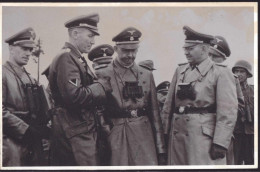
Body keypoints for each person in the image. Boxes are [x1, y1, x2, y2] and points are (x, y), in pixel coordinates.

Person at [161, 26, 238, 165]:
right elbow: (168, 106)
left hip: (203, 139)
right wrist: (164, 134)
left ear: (204, 49)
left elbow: (228, 111)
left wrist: (220, 142)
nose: (186, 52)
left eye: (190, 48)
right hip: (177, 136)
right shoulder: (180, 70)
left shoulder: (220, 72)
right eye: (185, 48)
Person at [47, 14, 112, 166]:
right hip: (76, 131)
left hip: (79, 129)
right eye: (90, 36)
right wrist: (101, 86)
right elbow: (74, 96)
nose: (93, 41)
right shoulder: (66, 58)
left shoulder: (76, 58)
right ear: (75, 34)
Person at [97, 27, 166, 165]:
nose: (130, 55)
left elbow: (155, 113)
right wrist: (108, 133)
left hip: (143, 136)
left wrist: (160, 148)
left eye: (133, 50)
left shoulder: (146, 74)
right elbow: (98, 110)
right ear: (116, 49)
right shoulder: (103, 73)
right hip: (117, 136)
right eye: (125, 51)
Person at [2, 27, 50, 166]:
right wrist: (25, 129)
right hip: (11, 141)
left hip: (33, 141)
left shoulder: (31, 78)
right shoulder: (3, 74)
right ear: (11, 49)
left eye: (30, 50)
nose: (28, 53)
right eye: (24, 49)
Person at [209, 35, 245, 165]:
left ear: (223, 58)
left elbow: (239, 105)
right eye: (209, 55)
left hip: (223, 131)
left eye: (215, 57)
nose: (211, 60)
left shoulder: (230, 76)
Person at [232, 60, 254, 165]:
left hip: (251, 132)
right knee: (235, 161)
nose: (238, 74)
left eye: (242, 71)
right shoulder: (230, 90)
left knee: (252, 161)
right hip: (236, 132)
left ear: (248, 74)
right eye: (236, 71)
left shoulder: (253, 91)